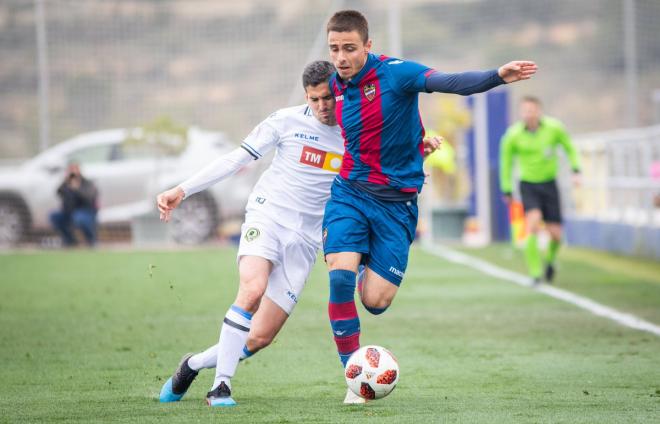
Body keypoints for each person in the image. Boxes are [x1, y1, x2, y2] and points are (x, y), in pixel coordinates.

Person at [156, 60, 442, 407]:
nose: (322, 106)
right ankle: (221, 387)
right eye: (313, 99)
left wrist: (419, 157)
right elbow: (234, 160)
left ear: (340, 92)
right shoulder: (285, 121)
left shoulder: (357, 131)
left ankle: (193, 364)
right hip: (269, 216)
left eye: (327, 98)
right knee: (252, 289)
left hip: (307, 239)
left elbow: (388, 173)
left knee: (260, 336)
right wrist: (182, 190)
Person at [321, 9, 537, 395]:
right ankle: (353, 376)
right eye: (335, 48)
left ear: (368, 46)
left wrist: (496, 76)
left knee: (375, 302)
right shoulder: (333, 85)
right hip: (350, 192)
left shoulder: (396, 74)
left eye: (349, 48)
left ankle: (363, 260)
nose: (340, 57)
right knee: (338, 275)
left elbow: (449, 81)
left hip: (397, 204)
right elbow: (318, 120)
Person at [499, 96, 581, 284]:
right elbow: (506, 163)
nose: (529, 114)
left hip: (550, 184)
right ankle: (535, 273)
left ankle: (550, 261)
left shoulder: (554, 128)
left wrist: (576, 169)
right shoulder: (513, 135)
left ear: (539, 111)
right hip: (528, 185)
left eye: (532, 110)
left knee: (556, 235)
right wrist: (507, 189)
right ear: (521, 113)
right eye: (525, 110)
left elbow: (569, 148)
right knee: (533, 225)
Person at [49, 162, 98, 246]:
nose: (73, 172)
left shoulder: (87, 183)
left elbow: (89, 197)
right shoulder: (66, 183)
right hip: (68, 212)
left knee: (79, 218)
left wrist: (77, 189)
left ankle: (91, 241)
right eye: (70, 170)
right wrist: (66, 182)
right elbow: (58, 192)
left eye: (74, 169)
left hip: (86, 212)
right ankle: (70, 241)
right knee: (54, 216)